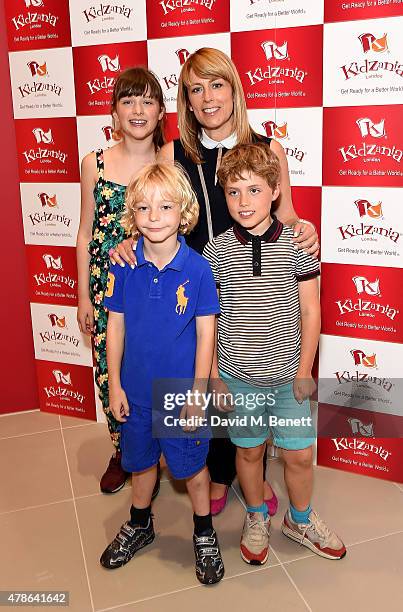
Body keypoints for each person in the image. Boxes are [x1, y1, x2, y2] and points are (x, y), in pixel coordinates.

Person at [110, 48, 319, 514]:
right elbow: (149, 207)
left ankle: (249, 473)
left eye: (217, 85)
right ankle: (219, 471)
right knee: (209, 380)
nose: (208, 98)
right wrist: (125, 244)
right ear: (186, 99)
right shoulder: (173, 152)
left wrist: (306, 230)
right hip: (195, 281)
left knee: (250, 376)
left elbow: (287, 216)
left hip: (256, 283)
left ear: (234, 89)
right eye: (196, 89)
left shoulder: (269, 148)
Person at [203, 142, 346, 565]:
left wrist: (305, 369)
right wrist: (213, 375)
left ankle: (299, 519)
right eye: (233, 192)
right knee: (249, 452)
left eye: (253, 190)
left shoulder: (299, 244)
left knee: (300, 455)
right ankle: (255, 514)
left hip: (288, 377)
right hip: (237, 377)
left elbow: (311, 310)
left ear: (274, 191)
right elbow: (208, 320)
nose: (243, 201)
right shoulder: (215, 251)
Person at [100, 161, 225, 585]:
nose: (154, 217)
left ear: (184, 212)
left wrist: (198, 392)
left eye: (166, 207)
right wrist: (115, 383)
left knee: (192, 468)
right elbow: (114, 325)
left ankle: (204, 532)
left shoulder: (198, 269)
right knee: (140, 463)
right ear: (131, 214)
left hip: (179, 393)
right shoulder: (123, 263)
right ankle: (140, 523)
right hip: (134, 390)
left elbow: (207, 334)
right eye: (144, 208)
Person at [76, 67, 165, 494]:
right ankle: (123, 451)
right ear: (114, 110)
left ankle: (161, 449)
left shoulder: (170, 162)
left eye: (147, 101)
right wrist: (82, 297)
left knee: (153, 365)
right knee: (111, 371)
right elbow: (83, 232)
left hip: (157, 289)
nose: (138, 110)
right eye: (128, 100)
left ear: (161, 111)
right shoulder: (93, 163)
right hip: (104, 287)